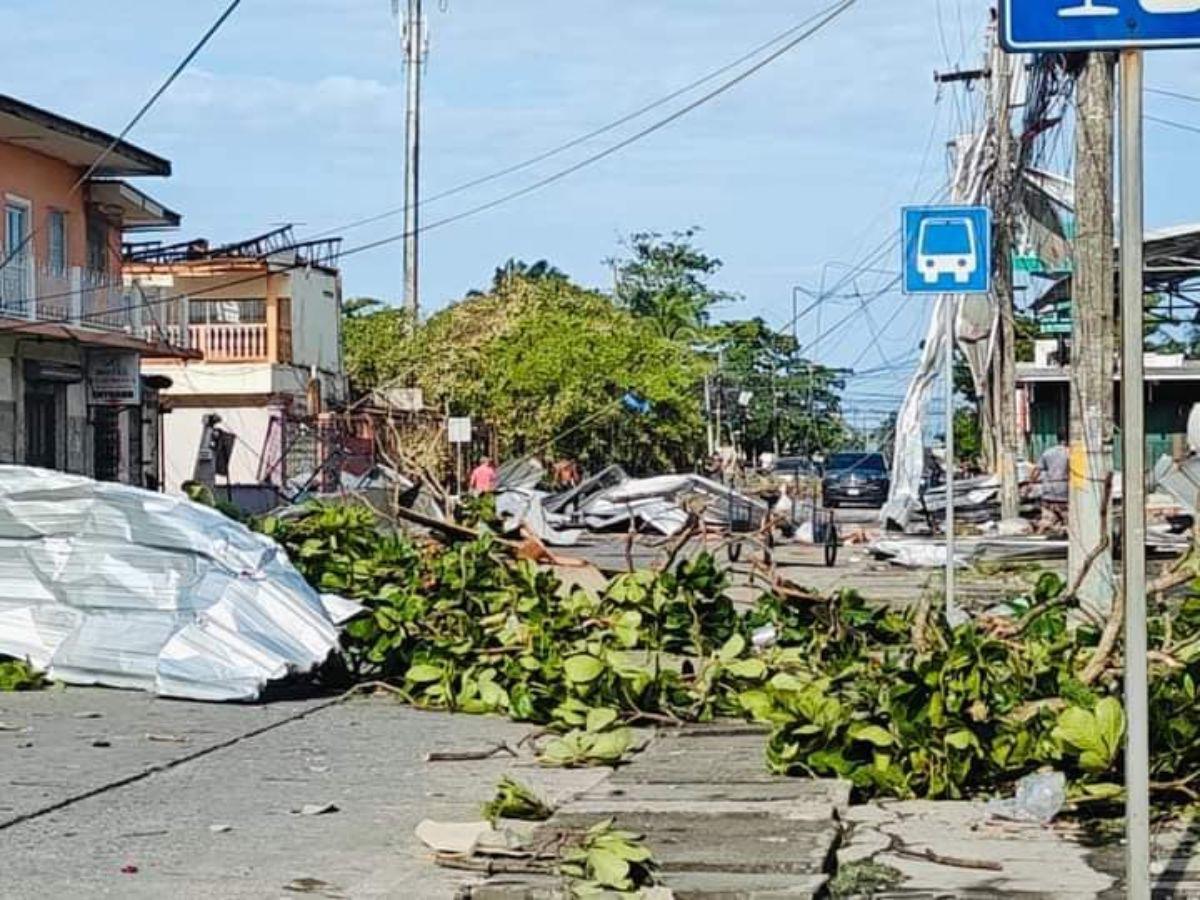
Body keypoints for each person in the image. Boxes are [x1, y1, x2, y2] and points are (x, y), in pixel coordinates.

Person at [1032, 428, 1070, 532]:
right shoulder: (1071, 453)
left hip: (1048, 492)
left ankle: (1038, 537)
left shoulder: (1047, 452)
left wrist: (1031, 484)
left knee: (1046, 521)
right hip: (1064, 493)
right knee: (1070, 523)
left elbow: (1036, 471)